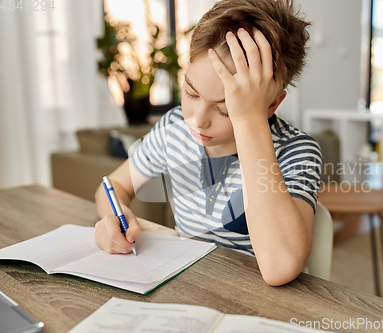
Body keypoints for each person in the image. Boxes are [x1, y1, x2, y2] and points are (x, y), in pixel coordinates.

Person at [94, 0, 322, 286]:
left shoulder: (296, 151)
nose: (198, 120)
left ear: (271, 105)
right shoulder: (175, 128)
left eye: (225, 108)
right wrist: (114, 218)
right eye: (190, 93)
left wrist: (249, 121)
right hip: (190, 288)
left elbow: (279, 268)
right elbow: (113, 187)